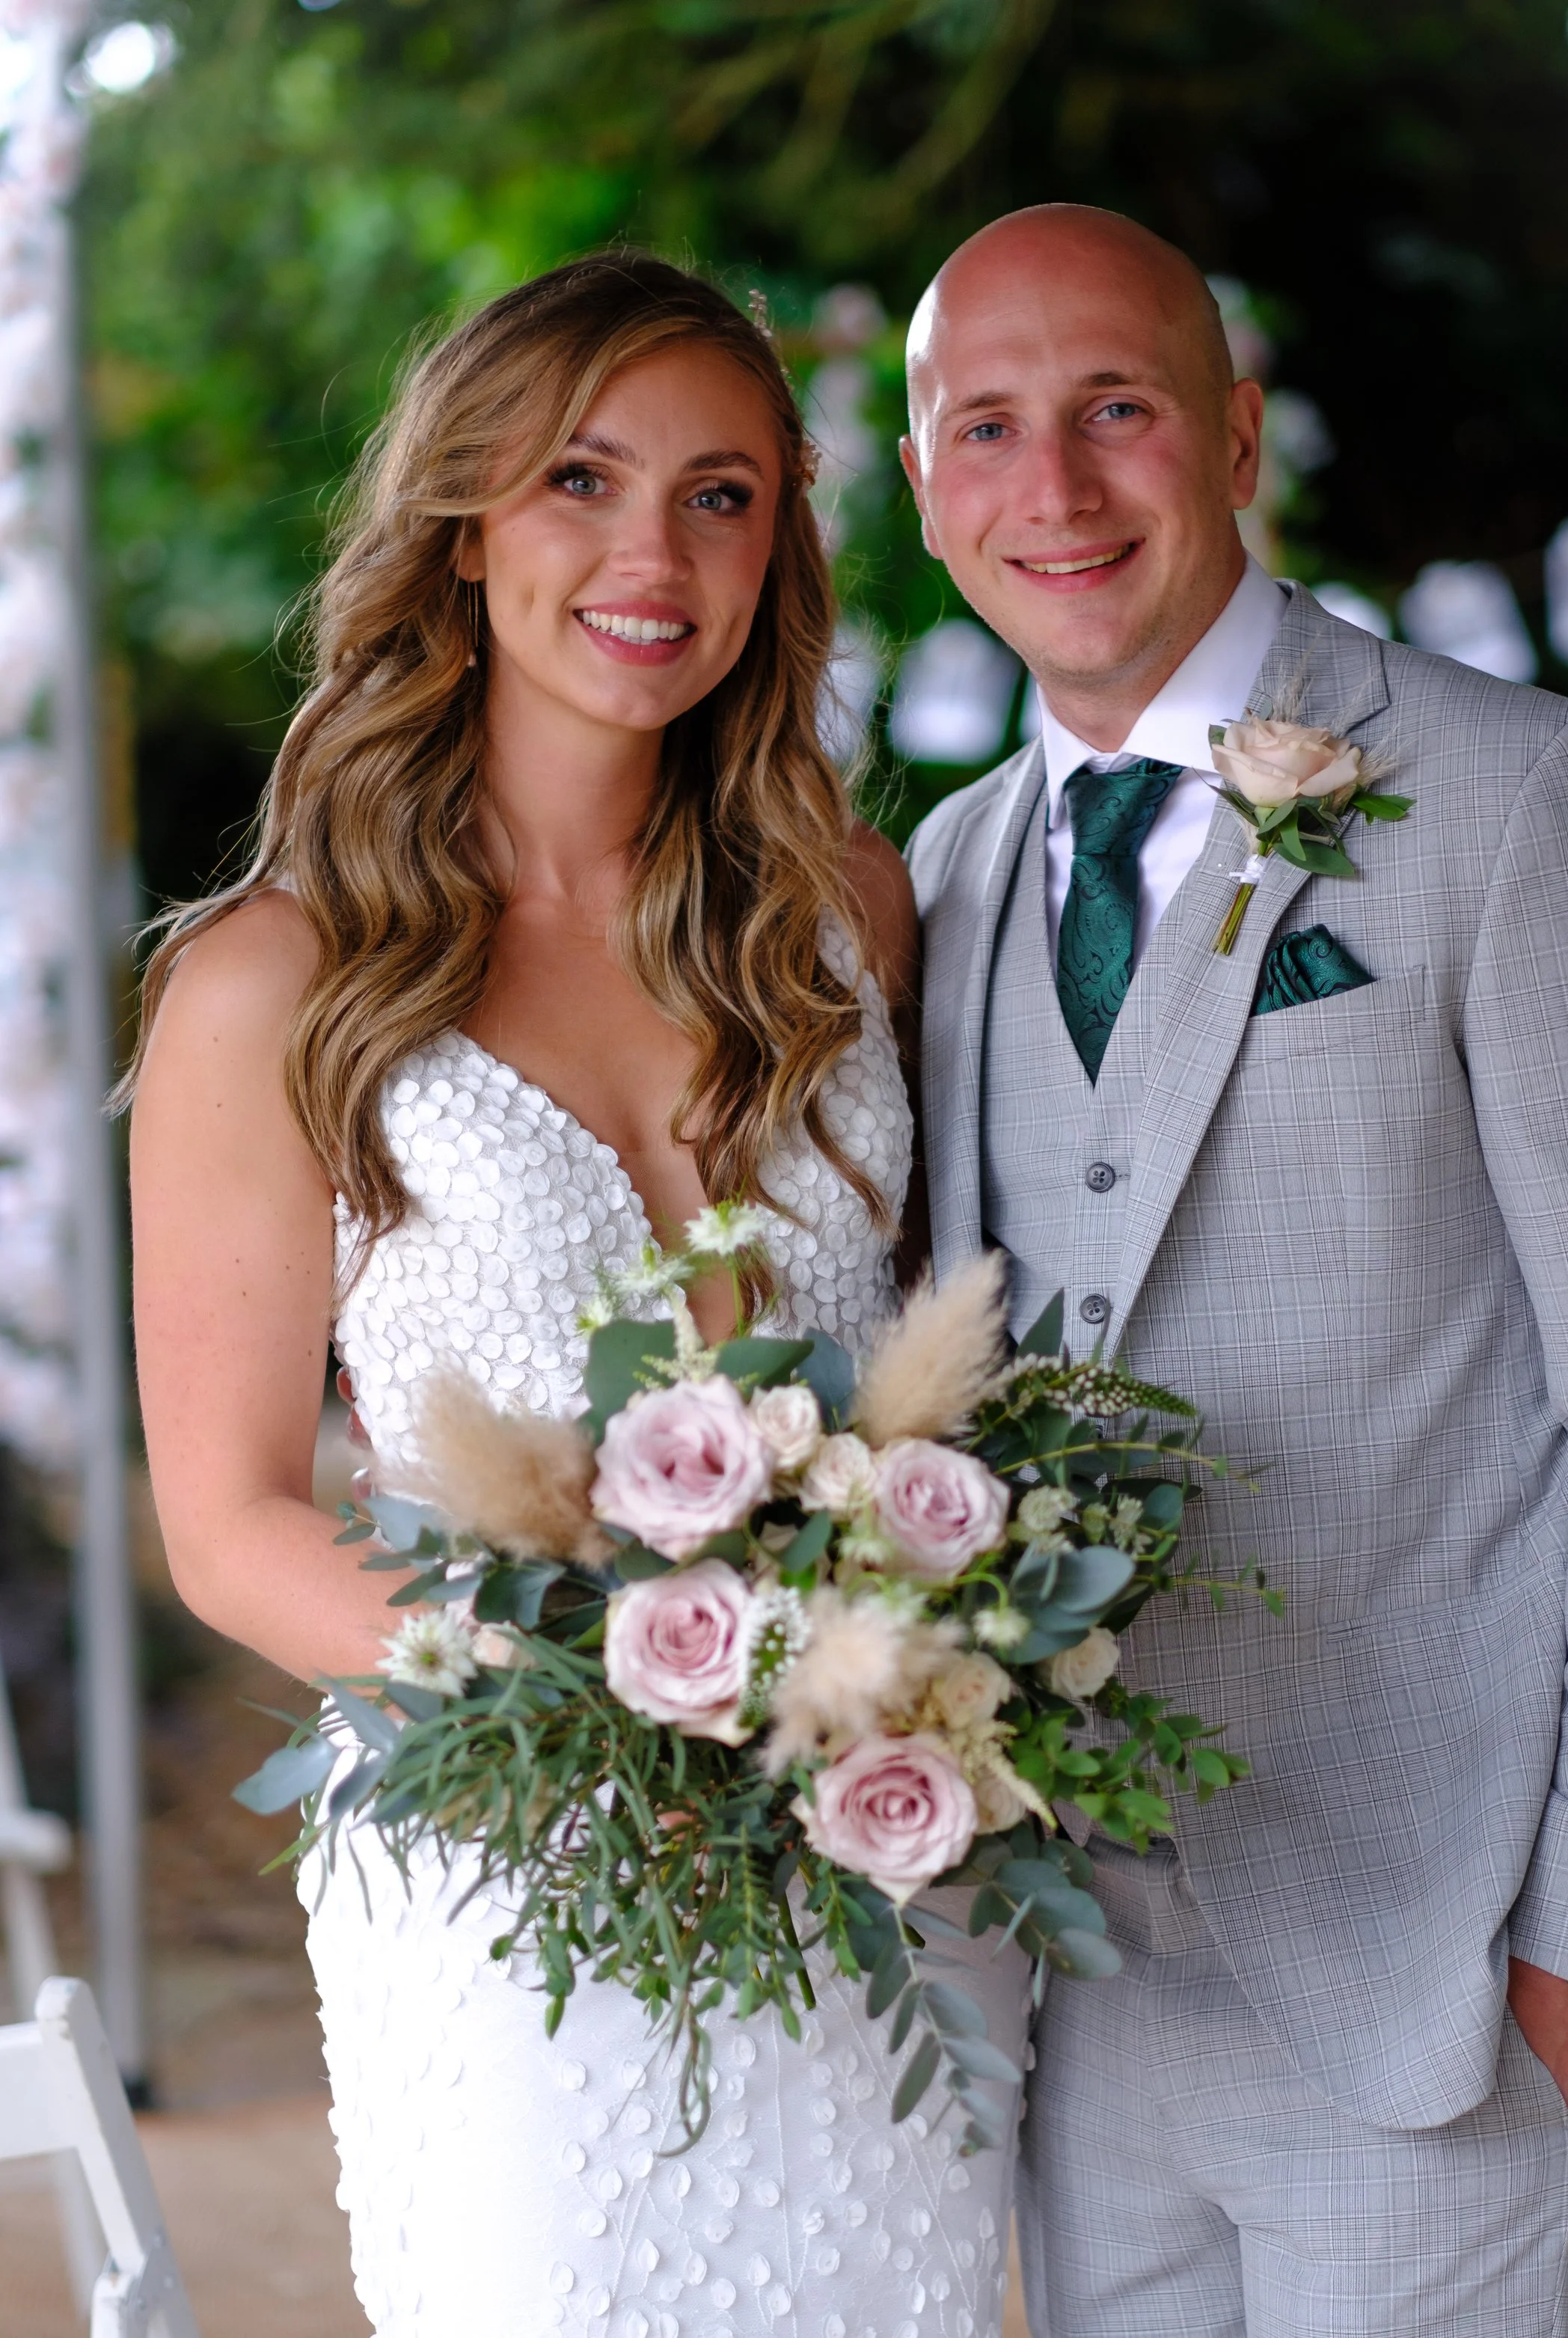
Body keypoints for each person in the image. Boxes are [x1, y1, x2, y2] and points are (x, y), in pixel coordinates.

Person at [900, 204, 1568, 2337]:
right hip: (1083, 1988)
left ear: (1234, 436)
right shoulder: (947, 872)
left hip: (1440, 1983)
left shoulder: (1529, 799)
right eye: (988, 427)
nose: (1055, 484)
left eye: (1116, 408)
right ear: (923, 487)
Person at [127, 251, 1026, 2338]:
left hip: (871, 1865)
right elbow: (230, 1521)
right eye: (582, 480)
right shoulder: (278, 982)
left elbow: (920, 1389)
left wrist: (877, 1669)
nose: (654, 555)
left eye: (721, 496)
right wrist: (615, 1699)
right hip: (516, 1869)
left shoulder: (842, 914)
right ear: (461, 530)